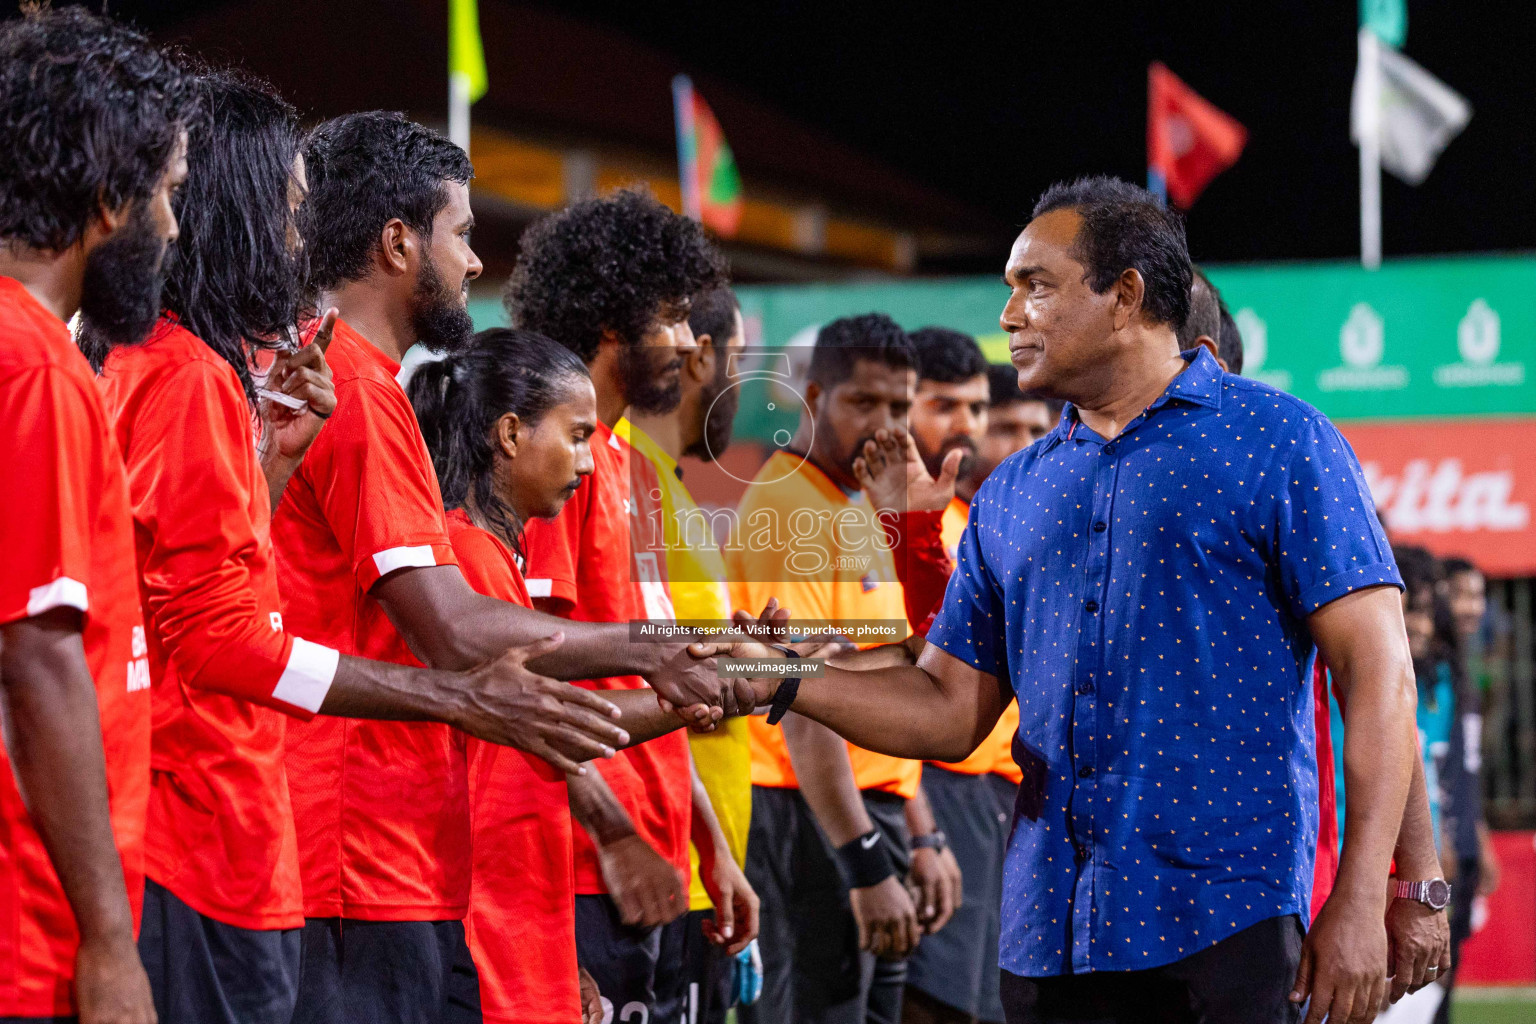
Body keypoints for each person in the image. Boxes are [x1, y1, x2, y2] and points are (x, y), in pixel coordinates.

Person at [708, 176, 1434, 1024]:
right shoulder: (1012, 493)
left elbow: (1379, 676)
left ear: (1125, 295)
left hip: (1225, 928)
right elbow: (947, 707)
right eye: (1009, 290)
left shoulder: (1280, 440)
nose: (1010, 315)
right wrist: (787, 675)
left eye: (1035, 286)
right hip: (1049, 937)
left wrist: (1368, 895)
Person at [89, 71, 623, 1024]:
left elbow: (218, 594)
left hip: (271, 838)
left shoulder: (237, 376)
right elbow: (235, 637)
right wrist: (671, 656)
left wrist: (278, 464)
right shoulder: (228, 377)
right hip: (306, 848)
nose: (299, 241)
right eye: (461, 233)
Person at [278, 115, 730, 1023]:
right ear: (398, 243)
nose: (478, 263)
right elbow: (460, 636)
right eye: (465, 233)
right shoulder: (358, 394)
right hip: (355, 858)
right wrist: (660, 656)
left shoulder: (356, 386)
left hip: (391, 857)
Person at [408, 328, 737, 1024]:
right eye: (577, 436)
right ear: (508, 434)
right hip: (488, 920)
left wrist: (729, 672)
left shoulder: (494, 558)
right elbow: (569, 720)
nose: (588, 462)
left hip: (528, 913)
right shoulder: (466, 560)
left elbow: (565, 720)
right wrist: (716, 676)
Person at [505, 188, 743, 1023]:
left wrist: (708, 843)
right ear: (612, 325)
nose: (688, 340)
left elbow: (658, 673)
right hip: (581, 867)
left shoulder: (630, 468)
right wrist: (610, 831)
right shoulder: (547, 466)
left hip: (653, 854)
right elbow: (523, 670)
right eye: (672, 316)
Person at [0, 8, 189, 1022]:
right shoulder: (34, 364)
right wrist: (111, 948)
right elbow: (36, 654)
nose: (174, 229)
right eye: (169, 195)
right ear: (110, 201)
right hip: (30, 933)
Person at [731, 313, 924, 1024]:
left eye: (899, 406)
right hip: (802, 810)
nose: (885, 423)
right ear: (814, 401)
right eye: (863, 402)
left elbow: (903, 674)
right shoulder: (788, 509)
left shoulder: (857, 505)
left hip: (855, 805)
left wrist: (919, 831)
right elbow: (806, 698)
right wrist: (866, 862)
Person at [620, 284, 761, 1024]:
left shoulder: (665, 485)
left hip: (700, 864)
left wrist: (763, 656)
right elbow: (679, 678)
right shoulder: (624, 475)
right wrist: (787, 670)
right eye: (739, 356)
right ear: (702, 357)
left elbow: (689, 659)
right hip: (655, 869)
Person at [1433, 556, 1498, 1024]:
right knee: (1424, 989)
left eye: (1478, 595)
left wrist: (1479, 831)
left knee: (1446, 984)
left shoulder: (1463, 671)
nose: (1472, 607)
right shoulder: (1432, 673)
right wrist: (1441, 836)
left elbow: (1465, 769)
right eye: (1461, 594)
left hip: (1465, 845)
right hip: (1440, 849)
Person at [964, 364, 1060, 501]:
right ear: (971, 428)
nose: (1027, 446)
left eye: (1037, 432)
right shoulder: (934, 514)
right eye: (1006, 430)